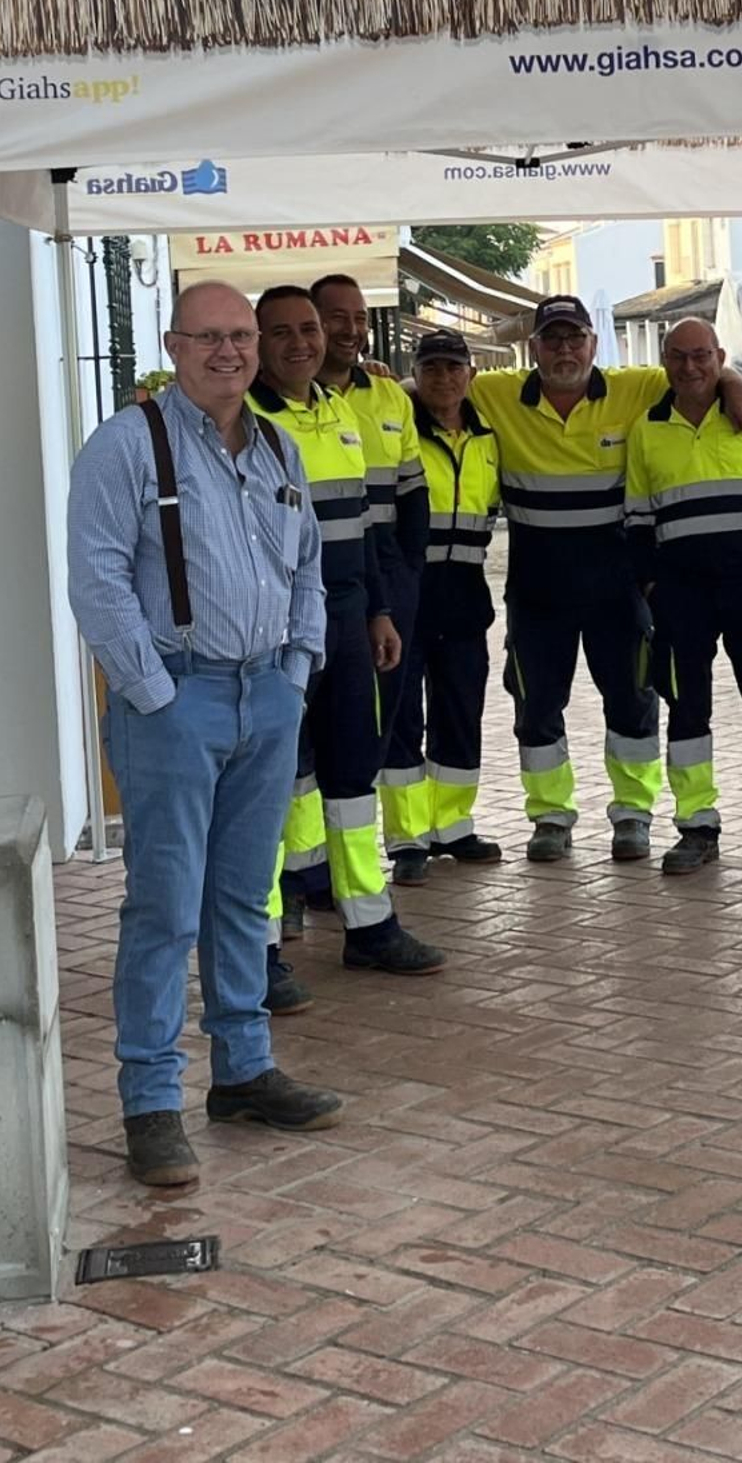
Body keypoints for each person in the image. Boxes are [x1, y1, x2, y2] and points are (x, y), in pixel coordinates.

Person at [67, 282, 340, 1188]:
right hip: (176, 702)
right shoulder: (126, 444)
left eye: (241, 337)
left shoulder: (277, 444)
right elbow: (97, 579)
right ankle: (151, 1102)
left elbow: (308, 566)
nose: (230, 351)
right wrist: (154, 694)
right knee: (164, 907)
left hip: (266, 695)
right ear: (174, 345)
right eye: (210, 336)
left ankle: (243, 1071)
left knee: (243, 897)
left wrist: (296, 670)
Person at [469, 294, 742, 863]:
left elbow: (694, 369)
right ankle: (550, 817)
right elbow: (431, 387)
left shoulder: (634, 386)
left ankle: (633, 813)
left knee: (631, 699)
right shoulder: (496, 393)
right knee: (536, 704)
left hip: (617, 585)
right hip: (537, 588)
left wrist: (734, 383)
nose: (564, 349)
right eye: (552, 339)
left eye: (574, 338)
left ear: (593, 344)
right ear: (533, 348)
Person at [248, 287, 443, 977]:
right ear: (257, 342)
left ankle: (368, 923)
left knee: (354, 774)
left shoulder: (340, 411)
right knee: (270, 783)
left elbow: (363, 526)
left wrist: (379, 611)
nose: (301, 343)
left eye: (309, 328)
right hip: (274, 630)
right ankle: (259, 948)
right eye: (281, 332)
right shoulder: (241, 420)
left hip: (348, 619)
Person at [626, 319, 742, 876]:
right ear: (665, 361)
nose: (690, 367)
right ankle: (696, 826)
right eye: (679, 356)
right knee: (687, 711)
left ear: (720, 357)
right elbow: (637, 522)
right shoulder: (646, 430)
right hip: (680, 598)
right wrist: (653, 587)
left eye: (702, 356)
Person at [311, 274, 431, 880]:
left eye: (360, 318)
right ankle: (313, 869)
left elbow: (413, 491)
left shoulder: (389, 396)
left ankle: (404, 843)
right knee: (317, 725)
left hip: (383, 577)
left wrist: (406, 569)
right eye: (337, 317)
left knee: (392, 708)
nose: (352, 329)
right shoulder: (287, 399)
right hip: (314, 581)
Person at [392, 328, 505, 872]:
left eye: (453, 367)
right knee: (402, 721)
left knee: (460, 714)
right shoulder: (399, 431)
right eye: (431, 368)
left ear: (471, 375)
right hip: (407, 598)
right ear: (414, 375)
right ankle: (408, 840)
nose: (443, 378)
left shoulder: (489, 436)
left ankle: (453, 827)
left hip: (464, 597)